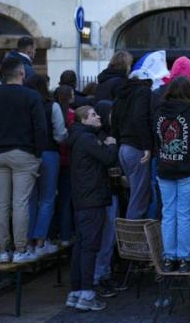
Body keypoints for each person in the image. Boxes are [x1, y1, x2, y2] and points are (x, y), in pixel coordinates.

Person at [0, 56, 47, 263]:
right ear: (22, 73)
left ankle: (4, 250)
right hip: (25, 153)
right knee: (20, 203)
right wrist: (39, 154)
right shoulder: (31, 96)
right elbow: (40, 127)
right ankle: (21, 248)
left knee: (1, 204)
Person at [65, 106, 118, 312]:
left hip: (82, 199)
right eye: (94, 115)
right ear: (84, 120)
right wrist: (111, 145)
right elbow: (108, 158)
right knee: (90, 247)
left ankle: (76, 291)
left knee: (81, 246)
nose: (98, 117)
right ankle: (87, 293)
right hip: (92, 199)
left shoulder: (79, 138)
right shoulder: (87, 139)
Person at [153, 77, 190, 272]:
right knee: (184, 215)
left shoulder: (158, 112)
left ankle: (168, 259)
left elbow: (157, 139)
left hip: (165, 168)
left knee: (168, 214)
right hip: (187, 169)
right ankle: (184, 259)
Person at [26, 74, 67, 256]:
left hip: (27, 153)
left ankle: (27, 243)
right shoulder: (53, 106)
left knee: (29, 199)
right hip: (49, 152)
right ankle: (41, 242)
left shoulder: (24, 105)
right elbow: (60, 135)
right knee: (48, 198)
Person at [111, 69, 154, 219]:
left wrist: (119, 141)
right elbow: (140, 117)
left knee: (134, 194)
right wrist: (147, 146)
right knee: (139, 198)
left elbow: (114, 122)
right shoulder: (143, 92)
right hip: (137, 148)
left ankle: (132, 236)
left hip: (123, 147)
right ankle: (133, 240)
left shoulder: (121, 95)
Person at [91, 100, 120, 298]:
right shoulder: (100, 139)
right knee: (104, 237)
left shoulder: (108, 136)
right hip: (104, 193)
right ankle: (98, 276)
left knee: (109, 237)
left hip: (112, 191)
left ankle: (104, 273)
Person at [55, 85, 76, 246]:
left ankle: (54, 234)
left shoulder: (52, 112)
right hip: (68, 161)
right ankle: (66, 235)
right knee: (66, 199)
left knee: (52, 200)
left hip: (55, 159)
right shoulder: (72, 116)